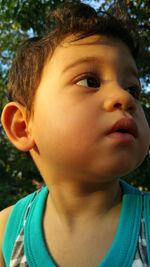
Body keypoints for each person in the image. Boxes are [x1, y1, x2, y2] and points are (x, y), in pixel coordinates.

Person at [0, 2, 150, 266]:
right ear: (23, 126)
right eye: (89, 81)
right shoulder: (6, 233)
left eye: (133, 89)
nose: (123, 98)